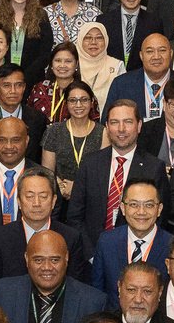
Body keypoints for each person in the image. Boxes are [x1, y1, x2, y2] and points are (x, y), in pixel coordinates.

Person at [68, 99, 163, 245]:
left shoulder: (154, 168)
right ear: (107, 127)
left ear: (139, 126)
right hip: (91, 251)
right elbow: (74, 216)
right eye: (114, 122)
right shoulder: (90, 163)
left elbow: (159, 220)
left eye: (128, 122)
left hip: (135, 252)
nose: (121, 129)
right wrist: (91, 253)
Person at [91, 179, 170, 307]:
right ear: (123, 208)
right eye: (134, 204)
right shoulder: (107, 242)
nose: (141, 212)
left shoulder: (172, 246)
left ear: (159, 209)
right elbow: (97, 292)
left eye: (149, 205)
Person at [40, 79, 100, 202]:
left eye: (84, 100)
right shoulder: (54, 131)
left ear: (92, 102)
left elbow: (102, 173)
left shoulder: (103, 132)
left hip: (91, 198)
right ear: (66, 103)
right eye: (73, 100)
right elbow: (47, 171)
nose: (78, 105)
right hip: (59, 196)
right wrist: (62, 187)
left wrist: (77, 187)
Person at [74, 19, 125, 108]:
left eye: (99, 38)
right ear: (80, 40)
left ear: (106, 40)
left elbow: (123, 100)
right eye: (88, 38)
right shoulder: (71, 64)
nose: (93, 42)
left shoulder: (117, 66)